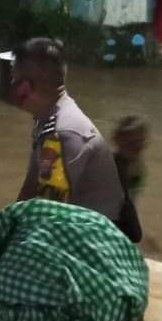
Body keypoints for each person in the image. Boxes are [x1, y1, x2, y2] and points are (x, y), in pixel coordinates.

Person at [11, 37, 125, 225]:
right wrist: (9, 221)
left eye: (15, 79)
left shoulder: (64, 132)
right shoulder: (45, 118)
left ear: (26, 86)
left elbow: (50, 209)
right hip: (75, 217)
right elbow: (31, 184)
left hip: (100, 231)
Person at [113, 116, 149, 199]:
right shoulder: (110, 167)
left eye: (139, 142)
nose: (137, 145)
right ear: (117, 140)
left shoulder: (137, 166)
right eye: (130, 143)